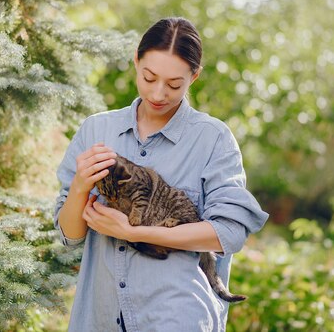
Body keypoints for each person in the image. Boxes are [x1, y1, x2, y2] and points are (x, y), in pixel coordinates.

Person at [54, 17, 269, 332]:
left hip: (177, 317)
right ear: (136, 62)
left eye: (173, 84)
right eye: (149, 77)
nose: (158, 93)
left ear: (193, 77)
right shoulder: (97, 130)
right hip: (99, 318)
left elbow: (229, 233)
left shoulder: (212, 139)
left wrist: (136, 233)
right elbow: (69, 235)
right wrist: (79, 187)